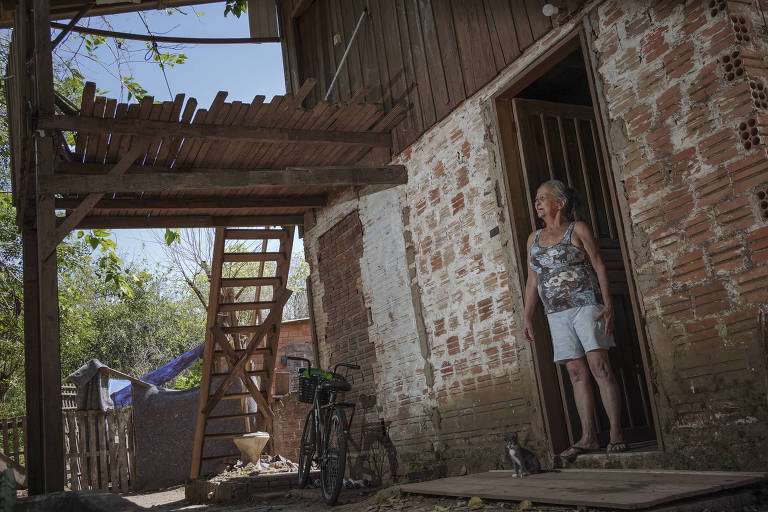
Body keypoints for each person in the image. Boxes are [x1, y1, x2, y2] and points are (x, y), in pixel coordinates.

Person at [522, 179, 626, 462]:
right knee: (575, 373)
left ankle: (616, 433)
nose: (537, 203)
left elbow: (598, 264)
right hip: (556, 313)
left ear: (560, 202)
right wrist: (528, 315)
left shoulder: (577, 229)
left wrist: (608, 305)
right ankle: (589, 437)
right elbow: (532, 281)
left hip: (587, 306)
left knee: (600, 367)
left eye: (542, 197)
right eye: (536, 199)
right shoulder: (533, 239)